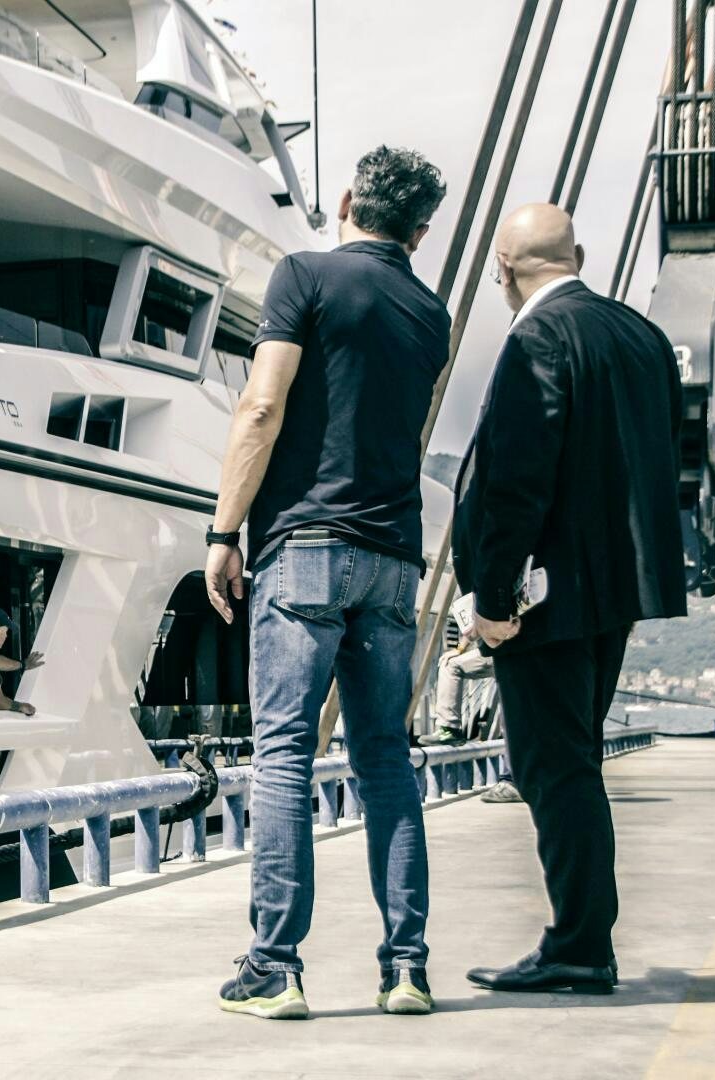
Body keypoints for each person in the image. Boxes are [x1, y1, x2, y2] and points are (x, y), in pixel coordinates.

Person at [203, 145, 450, 1019]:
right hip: (392, 560)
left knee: (283, 754)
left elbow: (261, 406)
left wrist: (223, 531)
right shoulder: (431, 311)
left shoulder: (303, 275)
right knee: (385, 759)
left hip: (304, 545)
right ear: (420, 231)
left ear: (345, 199)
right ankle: (406, 968)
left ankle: (274, 968)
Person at [454, 203, 686, 995]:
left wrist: (493, 598)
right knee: (571, 760)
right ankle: (581, 938)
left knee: (552, 768)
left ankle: (579, 946)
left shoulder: (538, 338)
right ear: (576, 255)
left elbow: (516, 480)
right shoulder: (639, 335)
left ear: (502, 267)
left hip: (543, 598)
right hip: (611, 589)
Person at [423, 620, 493, 746]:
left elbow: (479, 622)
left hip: (501, 649)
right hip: (526, 650)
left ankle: (450, 728)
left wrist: (460, 648)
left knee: (450, 665)